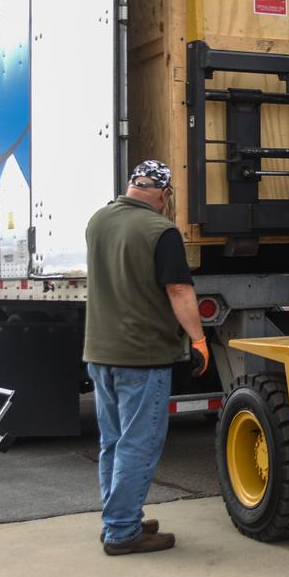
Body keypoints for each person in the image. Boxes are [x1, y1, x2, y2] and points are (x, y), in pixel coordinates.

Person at [84, 160, 211, 554]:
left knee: (113, 442)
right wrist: (199, 340)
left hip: (100, 353)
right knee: (138, 444)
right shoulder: (161, 230)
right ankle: (123, 532)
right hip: (143, 356)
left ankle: (118, 519)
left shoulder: (98, 220)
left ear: (131, 185)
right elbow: (178, 291)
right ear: (163, 193)